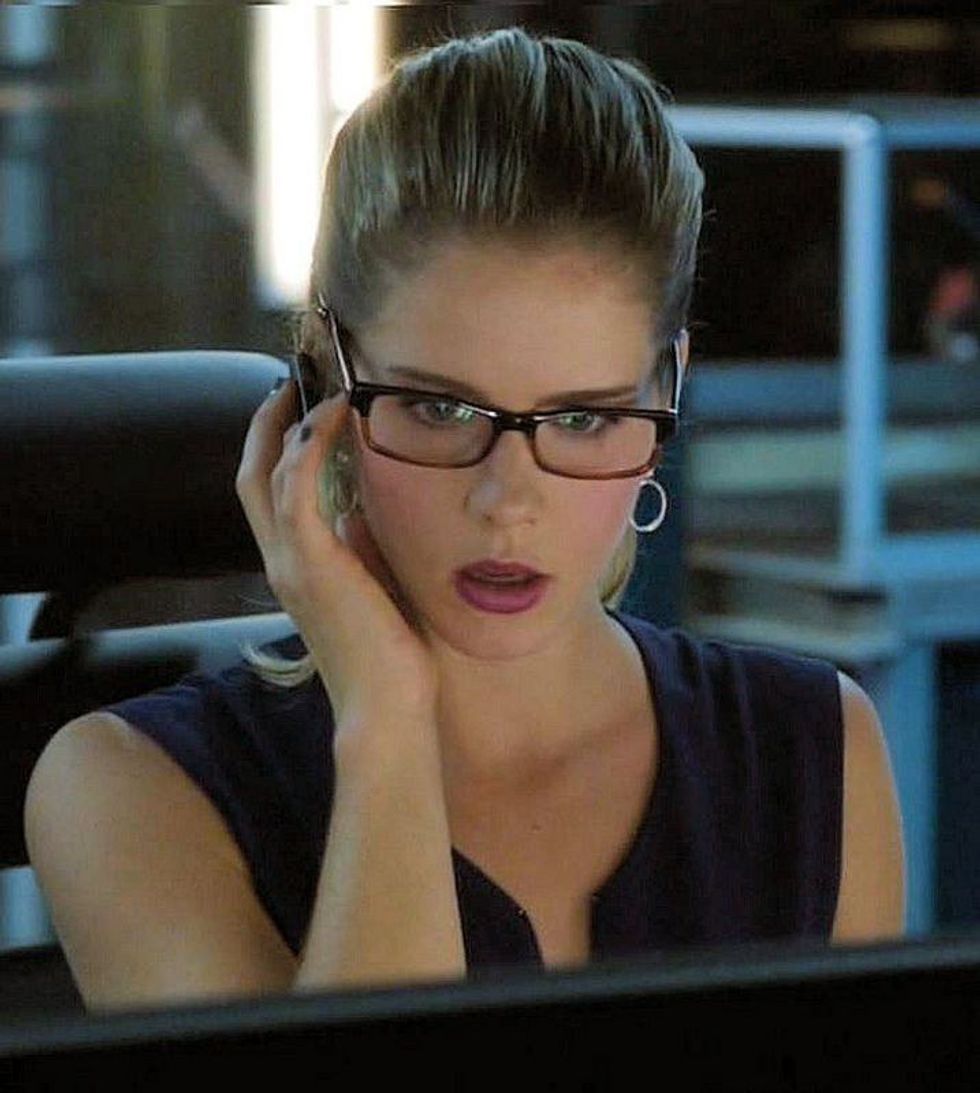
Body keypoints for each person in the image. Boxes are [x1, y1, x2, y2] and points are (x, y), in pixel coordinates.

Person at [24, 25, 905, 1013]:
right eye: (440, 409)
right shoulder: (123, 788)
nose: (506, 500)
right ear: (323, 383)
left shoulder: (815, 752)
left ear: (667, 390)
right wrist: (385, 723)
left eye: (582, 417)